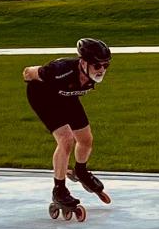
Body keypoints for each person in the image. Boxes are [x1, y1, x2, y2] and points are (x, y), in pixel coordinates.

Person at [23, 38, 112, 214]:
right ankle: (59, 189)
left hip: (66, 96)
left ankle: (80, 171)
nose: (101, 70)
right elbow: (28, 72)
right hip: (43, 98)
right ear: (83, 62)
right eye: (97, 65)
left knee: (86, 140)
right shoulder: (59, 70)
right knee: (66, 140)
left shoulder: (89, 75)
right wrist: (37, 74)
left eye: (106, 65)